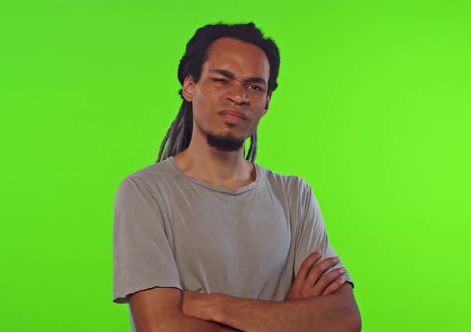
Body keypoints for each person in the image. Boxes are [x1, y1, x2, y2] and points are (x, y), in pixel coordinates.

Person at [113, 22, 361, 332]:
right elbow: (160, 326)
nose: (239, 96)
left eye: (255, 86)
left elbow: (343, 320)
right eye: (222, 80)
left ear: (267, 101)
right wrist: (288, 315)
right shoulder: (145, 192)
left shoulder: (294, 195)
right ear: (190, 86)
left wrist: (210, 304)